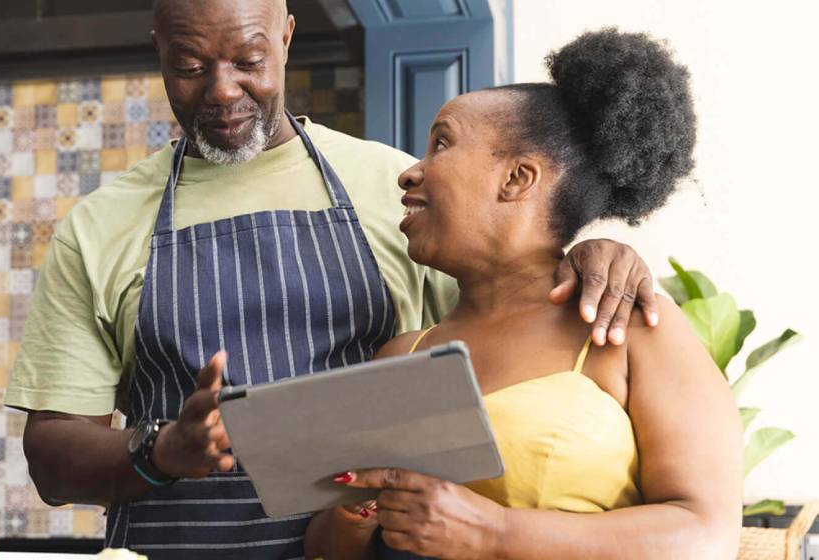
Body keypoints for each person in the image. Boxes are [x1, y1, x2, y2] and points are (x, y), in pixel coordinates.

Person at [8, 1, 662, 557]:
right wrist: (162, 450)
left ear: (286, 38)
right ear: (158, 51)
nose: (223, 89)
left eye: (249, 59)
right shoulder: (100, 226)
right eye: (190, 66)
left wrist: (589, 255)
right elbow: (51, 459)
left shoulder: (398, 193)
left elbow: (510, 308)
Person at [303, 28, 743, 560]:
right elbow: (333, 549)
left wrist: (494, 533)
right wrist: (354, 513)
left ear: (516, 178)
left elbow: (706, 535)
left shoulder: (628, 327)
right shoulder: (402, 355)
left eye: (441, 143)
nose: (410, 172)